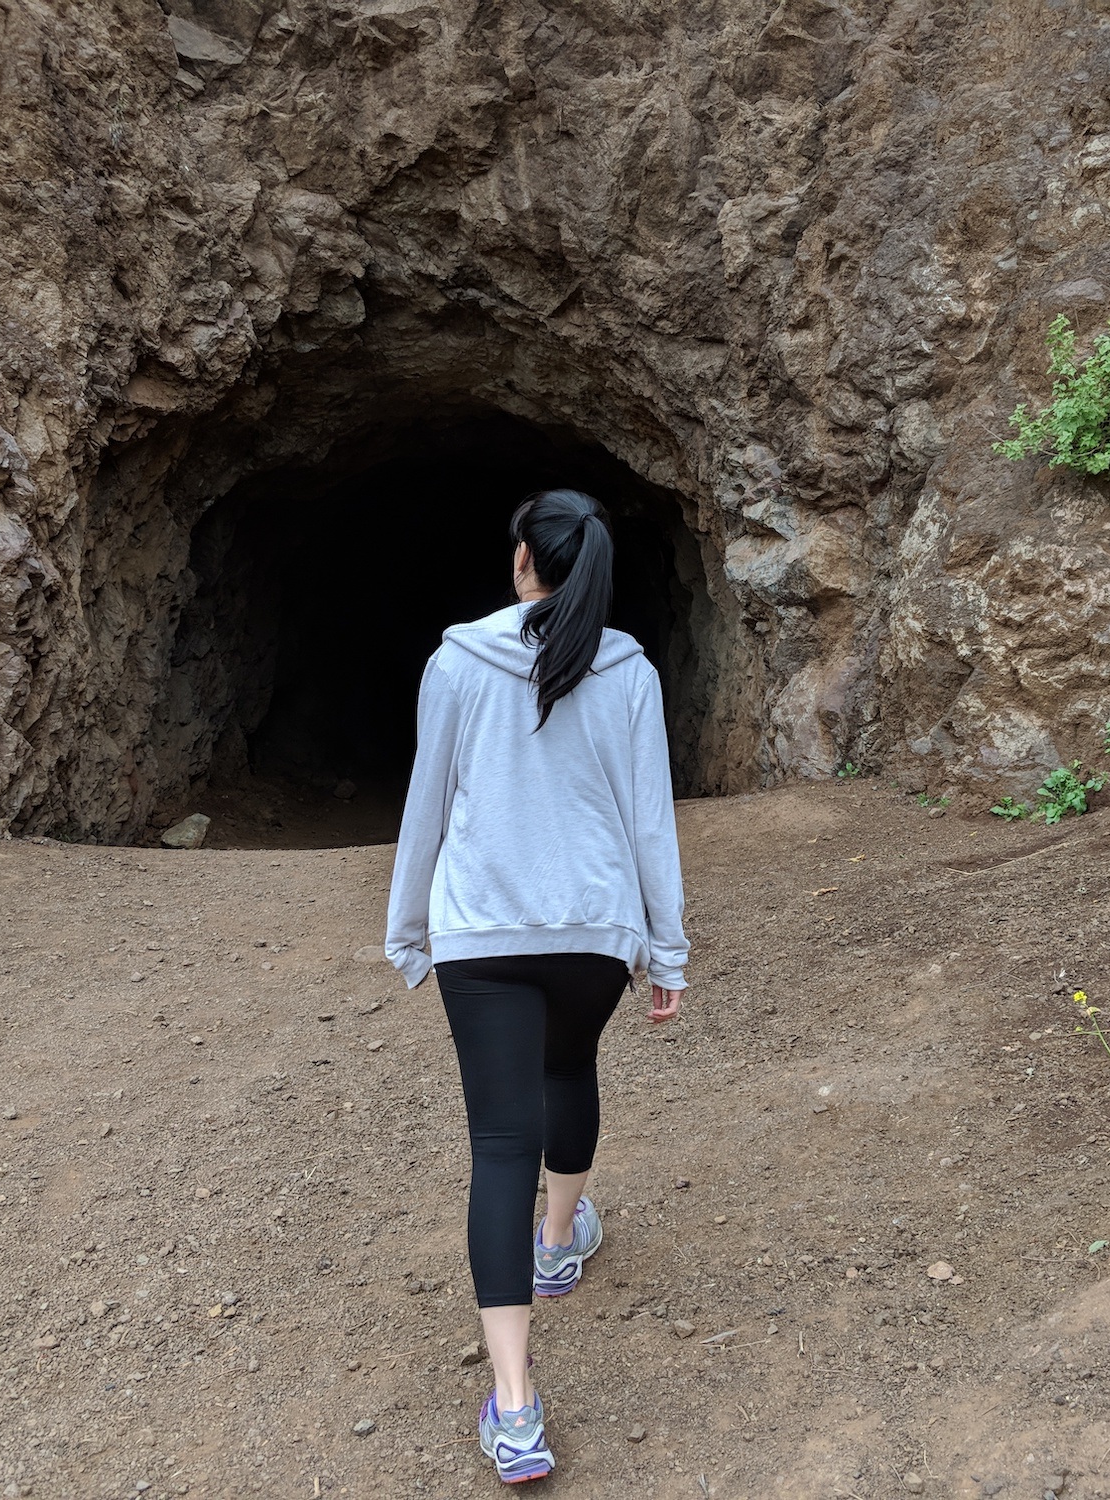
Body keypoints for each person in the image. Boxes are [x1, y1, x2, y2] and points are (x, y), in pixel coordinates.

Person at [384, 487, 689, 1485]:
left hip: (479, 933)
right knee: (569, 1062)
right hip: (590, 932)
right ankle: (559, 1244)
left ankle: (514, 1407)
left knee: (497, 1145)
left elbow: (426, 798)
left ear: (523, 558)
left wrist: (407, 931)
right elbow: (649, 818)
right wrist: (666, 951)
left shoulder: (456, 661)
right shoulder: (628, 670)